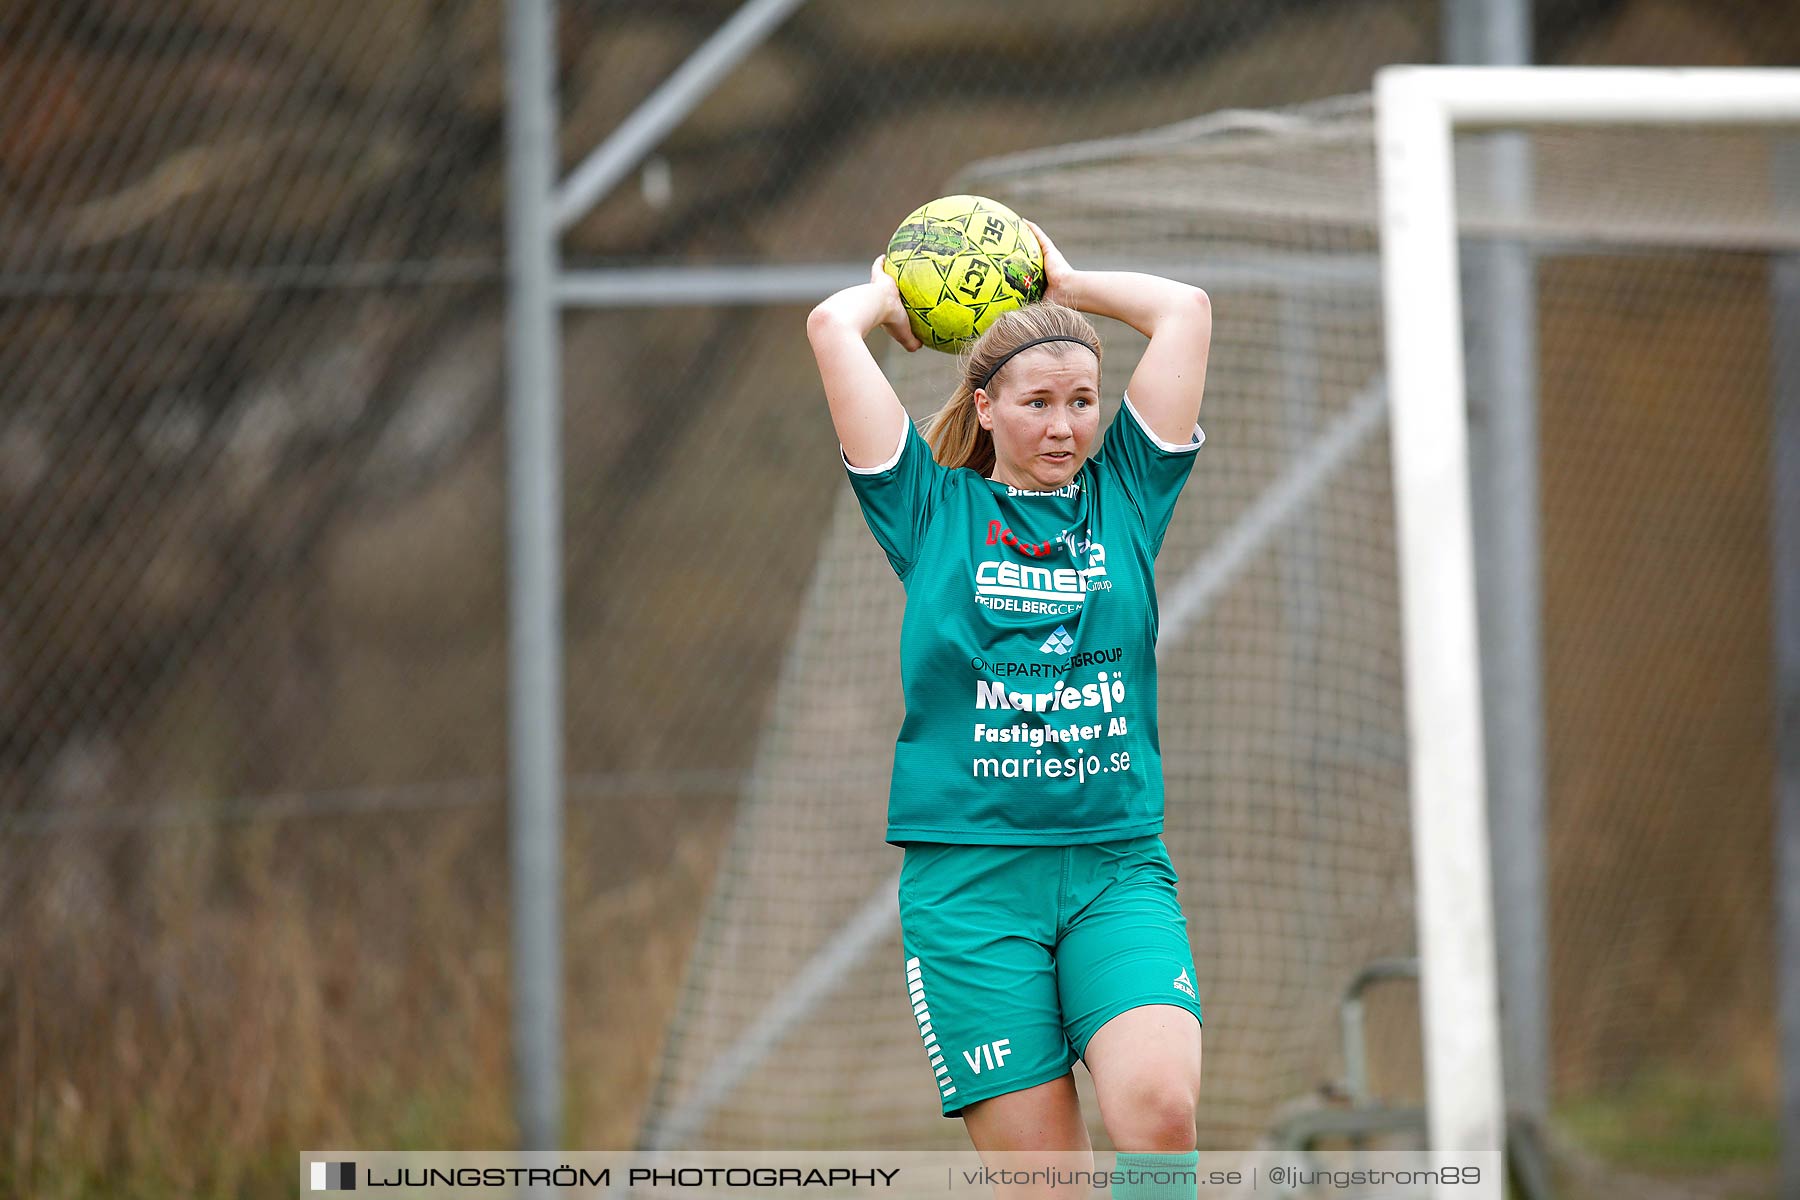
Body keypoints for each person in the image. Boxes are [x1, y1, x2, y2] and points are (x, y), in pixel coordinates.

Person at [806, 220, 1212, 1197]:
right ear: (985, 408)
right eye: (1039, 403)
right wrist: (893, 299)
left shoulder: (1125, 499)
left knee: (1157, 1108)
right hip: (972, 893)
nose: (1067, 425)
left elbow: (1184, 311)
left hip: (1113, 868)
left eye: (1083, 401)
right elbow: (830, 325)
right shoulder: (930, 511)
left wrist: (1065, 285)